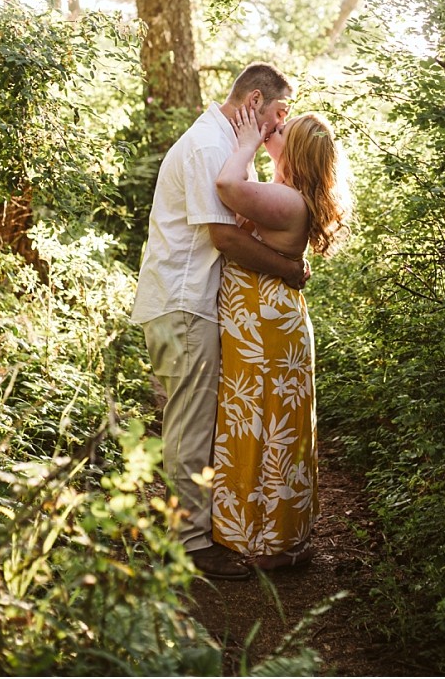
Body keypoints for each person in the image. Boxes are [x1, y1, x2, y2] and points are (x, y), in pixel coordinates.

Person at [131, 63, 309, 580]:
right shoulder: (211, 146)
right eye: (279, 113)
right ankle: (188, 544)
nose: (280, 125)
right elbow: (225, 238)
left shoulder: (225, 144)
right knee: (190, 425)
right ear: (254, 102)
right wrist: (288, 270)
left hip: (188, 304)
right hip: (184, 303)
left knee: (194, 422)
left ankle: (194, 531)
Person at [211, 104, 351, 570]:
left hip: (267, 327)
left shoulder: (288, 200)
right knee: (256, 422)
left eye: (283, 129)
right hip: (261, 323)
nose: (275, 126)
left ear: (296, 152)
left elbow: (227, 186)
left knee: (266, 426)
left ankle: (272, 544)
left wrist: (246, 142)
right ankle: (263, 533)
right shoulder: (282, 192)